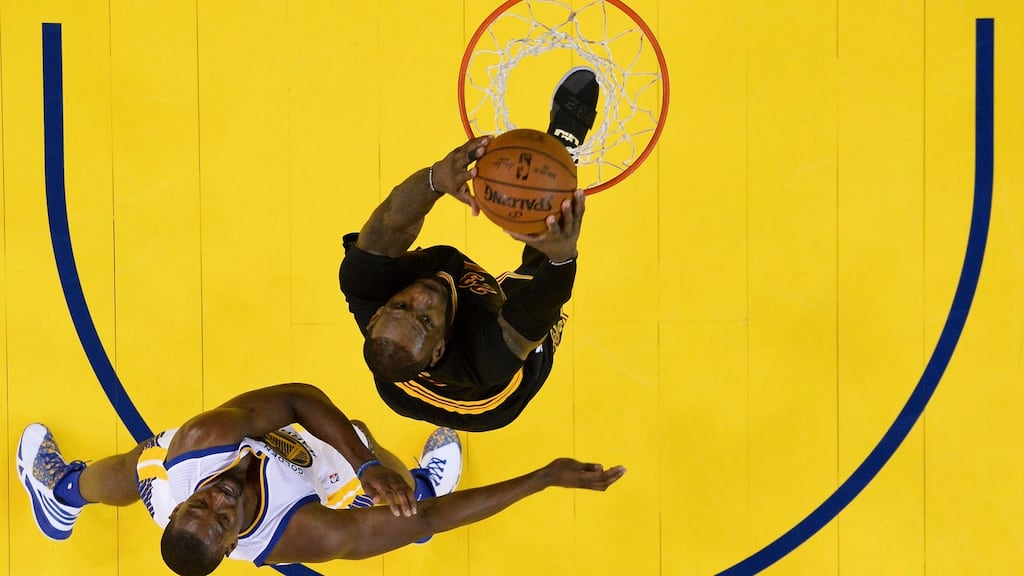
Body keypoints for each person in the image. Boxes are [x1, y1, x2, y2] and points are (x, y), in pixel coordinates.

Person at [16, 383, 625, 575]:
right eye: (221, 517)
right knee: (391, 490)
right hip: (309, 489)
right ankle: (420, 483)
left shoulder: (198, 450)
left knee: (142, 461)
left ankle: (61, 490)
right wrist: (542, 478)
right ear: (233, 544)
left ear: (180, 507)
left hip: (235, 449)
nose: (218, 499)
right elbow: (433, 526)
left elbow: (297, 397)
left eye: (199, 505)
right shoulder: (304, 532)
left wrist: (364, 462)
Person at [338, 68, 600, 432]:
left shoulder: (364, 286)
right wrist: (561, 254)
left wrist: (436, 178)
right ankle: (563, 145)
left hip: (399, 388)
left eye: (402, 306)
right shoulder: (488, 356)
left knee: (384, 244)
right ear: (440, 347)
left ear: (376, 314)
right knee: (540, 261)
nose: (421, 298)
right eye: (426, 320)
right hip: (491, 403)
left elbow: (391, 222)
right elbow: (539, 307)